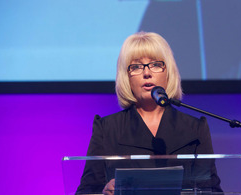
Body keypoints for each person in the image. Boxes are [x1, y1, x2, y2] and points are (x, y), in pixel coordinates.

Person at [76, 32, 222, 194]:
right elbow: (86, 191)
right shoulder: (107, 128)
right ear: (127, 78)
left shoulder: (194, 128)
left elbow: (211, 190)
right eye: (136, 66)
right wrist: (104, 192)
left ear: (168, 72)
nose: (147, 73)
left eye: (155, 64)